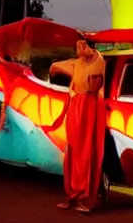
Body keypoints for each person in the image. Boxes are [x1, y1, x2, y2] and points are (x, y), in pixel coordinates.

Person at [46, 40, 107, 213]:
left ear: (90, 47)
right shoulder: (79, 62)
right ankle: (72, 194)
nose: (78, 49)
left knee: (86, 150)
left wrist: (83, 97)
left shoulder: (97, 61)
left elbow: (94, 88)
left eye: (81, 46)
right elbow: (60, 68)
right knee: (72, 149)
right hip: (76, 106)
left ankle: (86, 197)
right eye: (78, 46)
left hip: (88, 107)